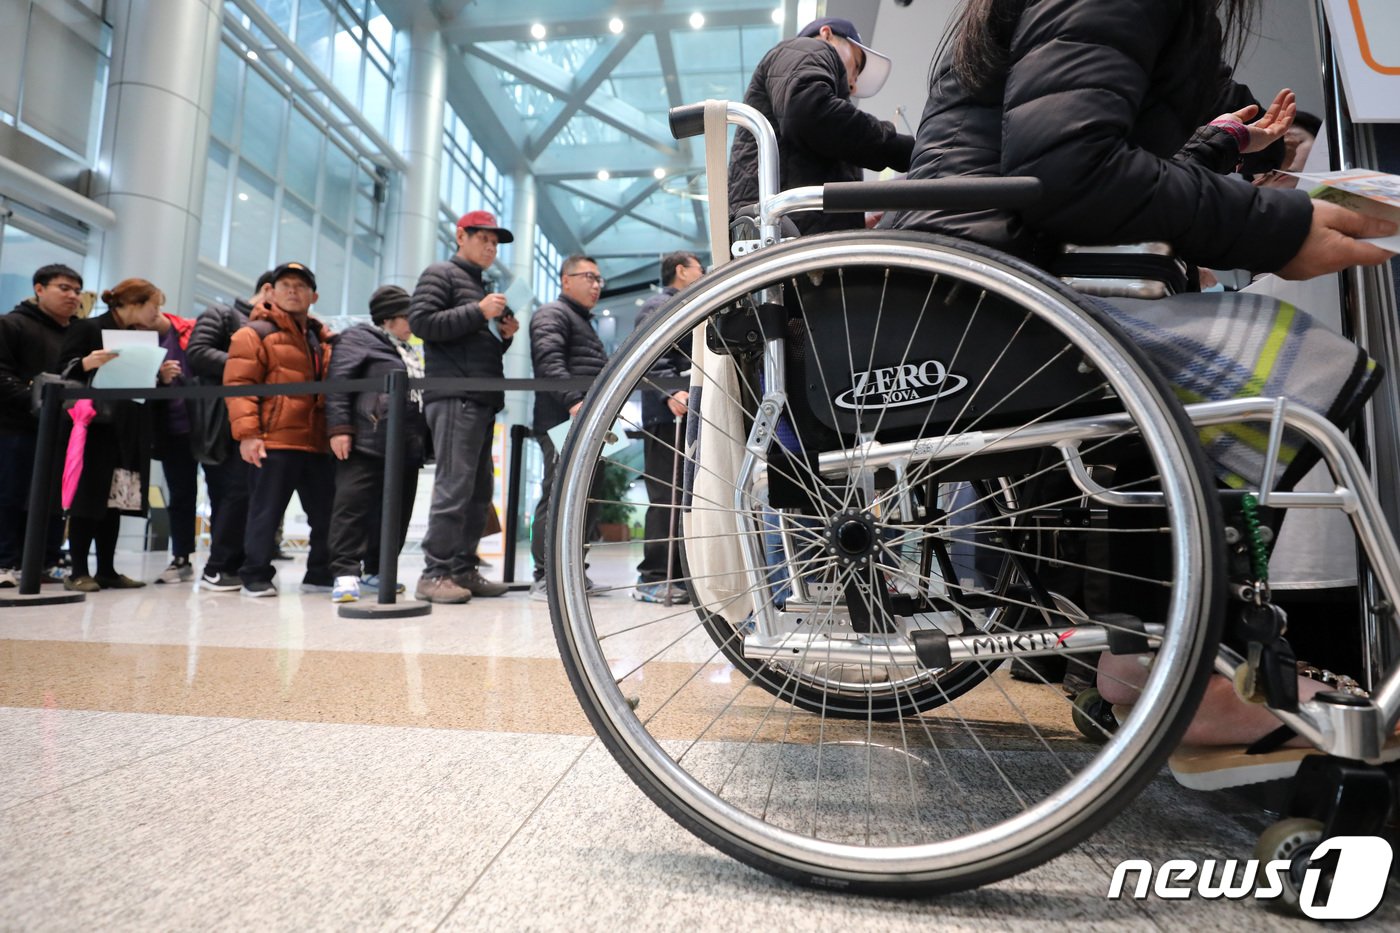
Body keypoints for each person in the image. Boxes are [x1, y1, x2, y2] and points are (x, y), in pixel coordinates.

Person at [891, 0, 1395, 760]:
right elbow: (1071, 167)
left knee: (1197, 374)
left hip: (978, 284)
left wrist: (1230, 155)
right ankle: (1179, 669)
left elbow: (1082, 160)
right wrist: (1275, 225)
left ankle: (1158, 659)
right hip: (991, 302)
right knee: (1290, 358)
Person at [408, 210, 518, 604]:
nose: (491, 246)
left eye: (495, 242)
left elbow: (470, 340)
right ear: (460, 236)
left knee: (477, 490)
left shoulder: (479, 284)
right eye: (483, 238)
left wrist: (502, 335)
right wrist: (478, 312)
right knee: (455, 486)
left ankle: (462, 568)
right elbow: (420, 322)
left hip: (480, 397)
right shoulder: (441, 273)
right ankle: (434, 573)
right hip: (454, 395)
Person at [728, 16, 912, 236]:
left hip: (783, 230)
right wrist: (906, 150)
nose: (853, 83)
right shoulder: (806, 48)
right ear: (827, 34)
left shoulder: (790, 70)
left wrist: (853, 222)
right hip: (785, 233)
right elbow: (810, 112)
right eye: (856, 65)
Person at [56, 279, 183, 590]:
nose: (157, 313)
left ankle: (107, 569)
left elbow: (134, 380)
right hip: (94, 425)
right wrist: (86, 363)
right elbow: (60, 371)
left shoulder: (141, 338)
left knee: (116, 498)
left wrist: (160, 377)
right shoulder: (88, 329)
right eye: (153, 305)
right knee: (90, 498)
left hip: (128, 425)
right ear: (134, 304)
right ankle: (79, 570)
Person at [223, 262, 335, 597]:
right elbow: (239, 385)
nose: (293, 291)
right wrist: (248, 435)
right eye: (285, 284)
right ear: (270, 291)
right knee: (265, 514)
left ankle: (320, 572)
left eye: (301, 286)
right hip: (274, 440)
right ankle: (254, 575)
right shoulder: (253, 333)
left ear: (313, 295)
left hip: (316, 442)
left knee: (326, 515)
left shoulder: (321, 338)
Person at [325, 286, 429, 603]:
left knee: (398, 511)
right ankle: (345, 573)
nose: (413, 322)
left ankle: (378, 570)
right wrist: (340, 428)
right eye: (406, 316)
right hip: (368, 439)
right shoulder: (359, 339)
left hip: (407, 444)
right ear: (388, 318)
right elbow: (339, 382)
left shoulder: (409, 349)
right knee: (352, 508)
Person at [528, 255, 610, 600]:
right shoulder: (553, 314)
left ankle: (574, 571)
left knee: (586, 497)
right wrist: (575, 401)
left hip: (588, 418)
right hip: (566, 417)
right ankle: (547, 575)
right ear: (565, 280)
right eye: (589, 276)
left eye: (599, 279)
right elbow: (549, 361)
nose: (596, 284)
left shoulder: (582, 322)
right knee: (560, 494)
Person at [186, 271, 274, 591]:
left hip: (254, 422)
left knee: (248, 495)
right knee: (231, 494)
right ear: (267, 289)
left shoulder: (274, 328)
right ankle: (218, 565)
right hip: (221, 424)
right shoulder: (222, 314)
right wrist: (251, 364)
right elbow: (197, 353)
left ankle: (234, 563)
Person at [0, 264, 83, 587]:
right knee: (11, 494)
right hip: (15, 429)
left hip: (63, 430)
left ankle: (47, 560)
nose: (72, 296)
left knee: (54, 498)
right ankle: (6, 561)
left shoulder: (77, 335)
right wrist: (34, 401)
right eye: (64, 288)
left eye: (76, 290)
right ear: (39, 289)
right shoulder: (12, 325)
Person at [632, 251, 703, 603]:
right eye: (698, 268)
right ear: (681, 271)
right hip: (666, 415)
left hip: (682, 412)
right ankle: (652, 577)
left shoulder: (686, 303)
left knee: (683, 497)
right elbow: (650, 354)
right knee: (666, 497)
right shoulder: (660, 305)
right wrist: (669, 392)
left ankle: (677, 576)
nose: (703, 273)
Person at [150, 301, 197, 584]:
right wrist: (160, 378)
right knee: (180, 495)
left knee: (227, 492)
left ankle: (226, 558)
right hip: (171, 427)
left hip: (206, 424)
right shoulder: (138, 339)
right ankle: (181, 557)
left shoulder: (189, 330)